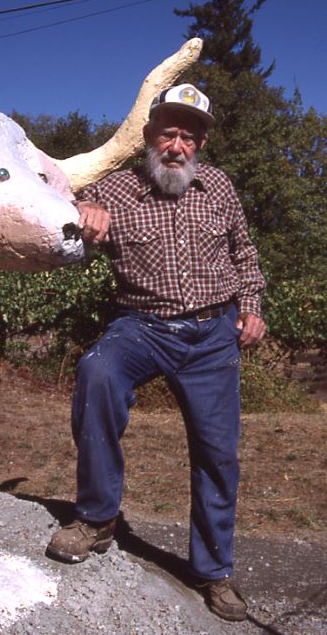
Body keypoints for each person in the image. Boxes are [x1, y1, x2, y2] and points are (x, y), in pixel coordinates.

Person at [46, 84, 266, 622]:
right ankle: (97, 519)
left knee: (218, 453)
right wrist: (84, 206)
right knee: (97, 370)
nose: (176, 145)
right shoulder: (118, 189)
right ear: (148, 137)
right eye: (167, 132)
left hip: (212, 336)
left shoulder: (218, 187)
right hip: (141, 326)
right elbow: (63, 200)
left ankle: (214, 571)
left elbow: (245, 252)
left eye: (188, 136)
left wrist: (252, 306)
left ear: (202, 143)